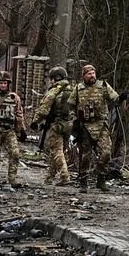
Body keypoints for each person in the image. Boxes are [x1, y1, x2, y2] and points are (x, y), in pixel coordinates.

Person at [67, 64, 120, 192]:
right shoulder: (78, 89)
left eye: (93, 73)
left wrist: (120, 99)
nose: (92, 76)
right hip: (85, 126)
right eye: (89, 74)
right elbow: (71, 107)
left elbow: (114, 98)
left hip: (101, 125)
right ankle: (83, 181)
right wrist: (74, 121)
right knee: (85, 155)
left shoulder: (103, 86)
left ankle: (101, 178)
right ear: (84, 76)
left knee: (106, 153)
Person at [31, 66, 74, 186]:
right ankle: (50, 176)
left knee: (56, 151)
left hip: (56, 124)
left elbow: (43, 109)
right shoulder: (72, 89)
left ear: (55, 78)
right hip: (69, 125)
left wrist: (35, 121)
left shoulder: (54, 91)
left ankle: (65, 176)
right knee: (59, 151)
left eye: (51, 79)